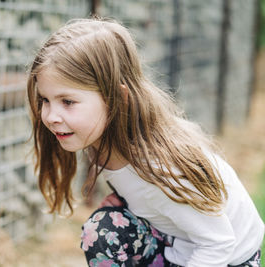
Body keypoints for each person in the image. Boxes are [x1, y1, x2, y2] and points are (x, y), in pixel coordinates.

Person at [26, 17, 264, 267]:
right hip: (174, 244)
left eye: (68, 102)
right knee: (103, 232)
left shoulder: (164, 169)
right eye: (45, 100)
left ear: (116, 98)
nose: (51, 116)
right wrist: (125, 201)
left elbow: (218, 243)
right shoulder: (99, 140)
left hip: (227, 258)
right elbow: (143, 193)